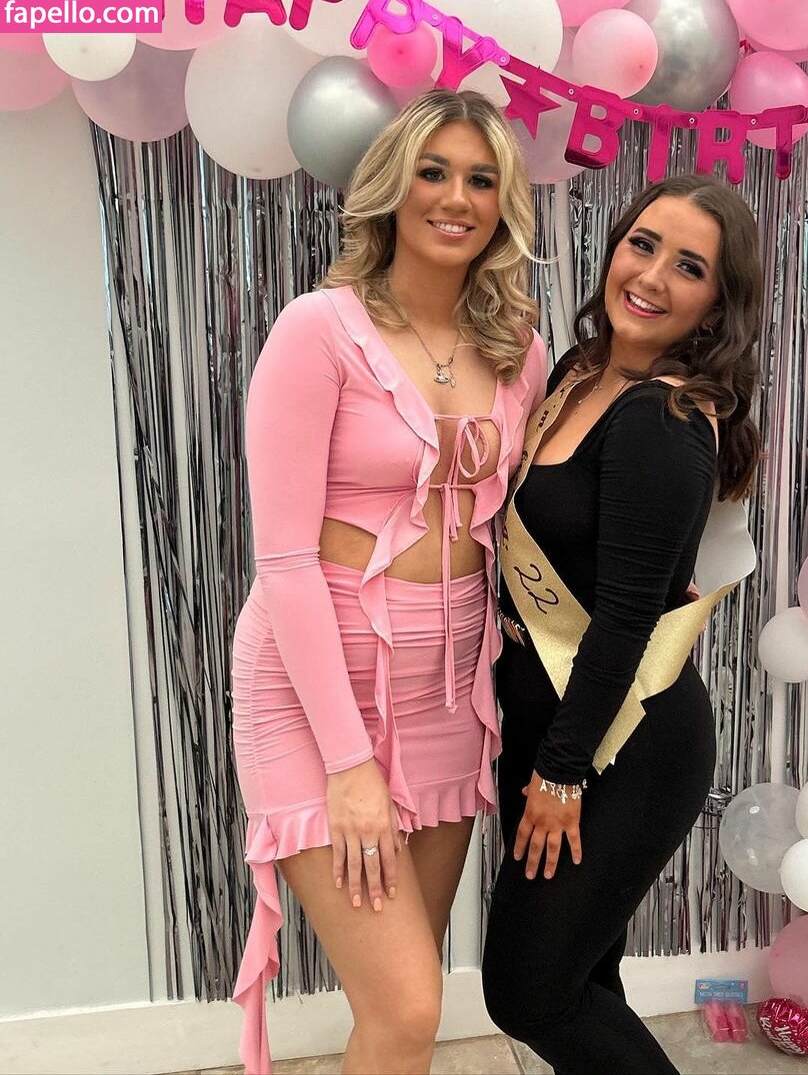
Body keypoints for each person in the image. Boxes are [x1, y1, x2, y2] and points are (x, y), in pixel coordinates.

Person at [229, 89, 547, 1075]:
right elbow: (284, 560)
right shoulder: (319, 330)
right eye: (433, 172)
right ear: (392, 189)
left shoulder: (520, 352)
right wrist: (348, 763)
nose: (457, 197)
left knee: (397, 1007)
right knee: (408, 1006)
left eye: (481, 179)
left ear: (503, 204)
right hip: (312, 684)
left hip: (448, 691)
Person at [482, 174, 762, 1074]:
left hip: (623, 739)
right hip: (549, 716)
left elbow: (628, 619)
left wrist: (561, 769)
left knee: (529, 991)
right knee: (582, 980)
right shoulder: (578, 372)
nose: (651, 275)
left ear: (717, 303)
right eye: (643, 244)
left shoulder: (663, 419)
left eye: (689, 266)